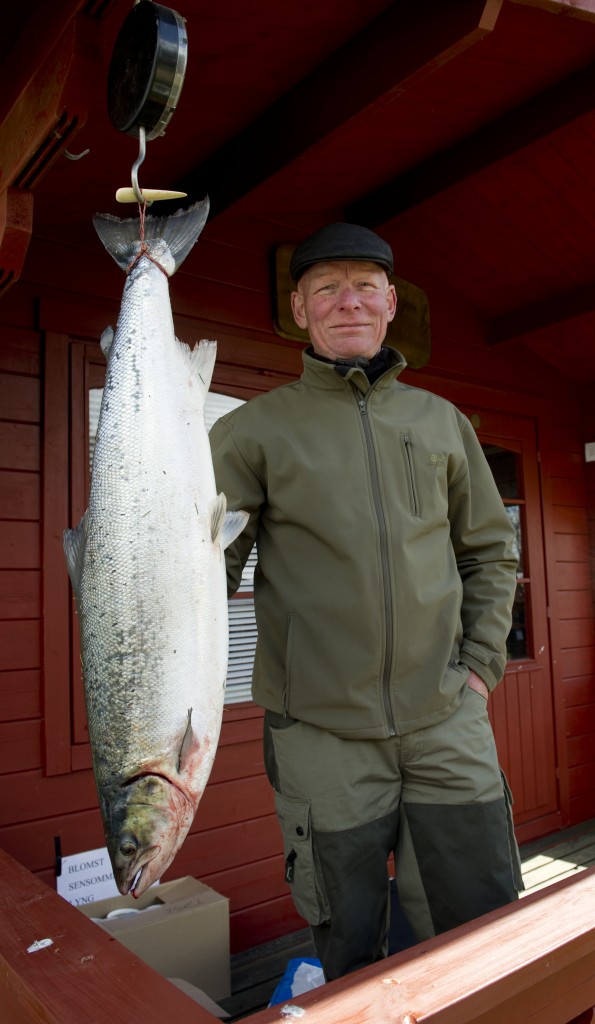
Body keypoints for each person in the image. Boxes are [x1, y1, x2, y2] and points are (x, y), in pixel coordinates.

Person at [209, 222, 523, 981]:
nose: (345, 301)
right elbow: (197, 566)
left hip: (445, 717)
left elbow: (487, 551)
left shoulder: (440, 422)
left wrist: (478, 669)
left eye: (362, 287)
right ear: (299, 308)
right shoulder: (250, 432)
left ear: (389, 303)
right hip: (320, 731)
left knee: (481, 917)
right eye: (325, 288)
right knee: (348, 936)